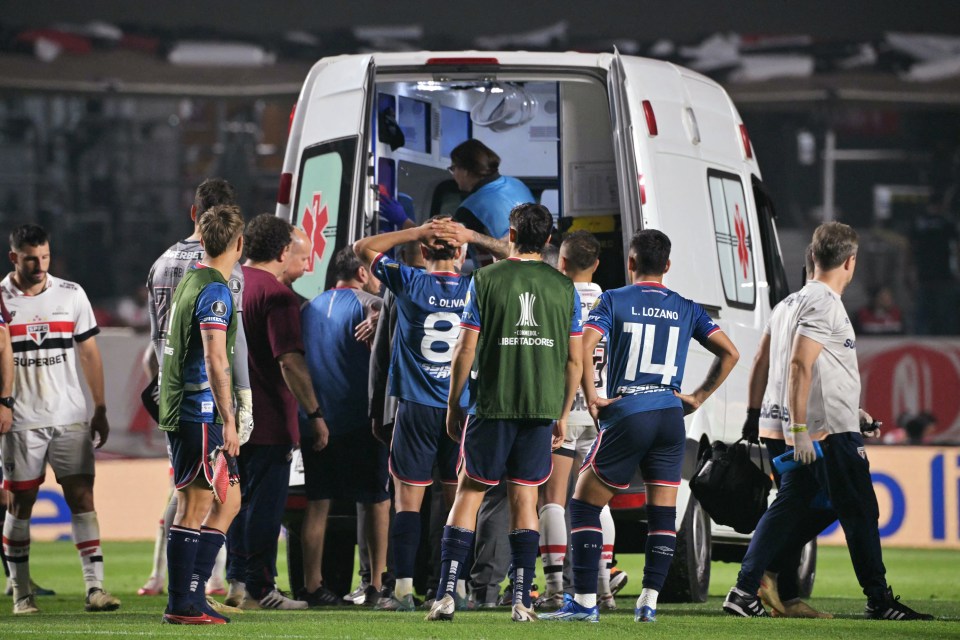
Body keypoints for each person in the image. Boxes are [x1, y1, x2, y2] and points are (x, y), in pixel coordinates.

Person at [723, 222, 933, 621]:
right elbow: (800, 364)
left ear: (813, 258)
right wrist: (801, 430)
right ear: (850, 262)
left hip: (798, 424)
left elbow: (768, 362)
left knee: (802, 505)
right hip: (820, 433)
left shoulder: (787, 304)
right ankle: (879, 600)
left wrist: (849, 412)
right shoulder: (825, 303)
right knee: (859, 510)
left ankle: (751, 585)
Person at [540, 229, 739, 624]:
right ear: (667, 266)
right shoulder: (685, 306)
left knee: (582, 506)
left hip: (630, 411)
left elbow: (582, 347)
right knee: (663, 516)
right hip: (669, 415)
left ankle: (582, 602)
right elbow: (730, 353)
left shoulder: (613, 299)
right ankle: (648, 600)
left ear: (630, 263)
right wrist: (697, 397)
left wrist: (594, 395)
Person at [425, 203, 583, 623]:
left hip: (491, 405)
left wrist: (454, 402)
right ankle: (521, 600)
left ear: (510, 235)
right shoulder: (564, 287)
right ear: (548, 240)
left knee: (470, 492)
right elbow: (574, 361)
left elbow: (465, 347)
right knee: (525, 498)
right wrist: (563, 412)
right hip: (539, 408)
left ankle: (445, 594)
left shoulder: (485, 279)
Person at [354, 217, 487, 611]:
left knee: (407, 501)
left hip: (415, 409)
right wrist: (471, 236)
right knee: (457, 499)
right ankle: (455, 586)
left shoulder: (408, 280)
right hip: (460, 409)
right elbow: (517, 255)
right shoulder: (476, 285)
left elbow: (363, 247)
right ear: (461, 254)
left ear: (425, 252)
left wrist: (416, 232)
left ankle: (402, 590)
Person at [0, 223, 121, 616]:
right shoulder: (1, 299)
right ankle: (21, 594)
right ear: (14, 257)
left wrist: (100, 407)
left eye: (46, 257)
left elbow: (89, 352)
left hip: (69, 416)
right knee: (21, 503)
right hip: (21, 419)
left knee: (82, 497)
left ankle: (95, 589)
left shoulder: (71, 294)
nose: (40, 265)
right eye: (32, 258)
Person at [140, 178, 251, 601]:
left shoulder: (175, 271)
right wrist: (232, 415)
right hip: (201, 404)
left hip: (174, 397)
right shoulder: (215, 288)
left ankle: (189, 594)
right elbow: (218, 357)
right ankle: (185, 599)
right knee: (196, 504)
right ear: (239, 242)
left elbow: (157, 341)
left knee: (222, 500)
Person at [227, 214, 327, 610]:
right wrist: (315, 414)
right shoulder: (277, 295)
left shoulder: (228, 284)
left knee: (236, 505)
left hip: (231, 418)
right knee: (266, 510)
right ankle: (261, 589)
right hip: (269, 418)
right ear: (283, 251)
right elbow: (289, 361)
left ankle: (236, 583)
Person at [535, 231, 620, 610]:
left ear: (561, 264)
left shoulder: (555, 298)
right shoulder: (613, 302)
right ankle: (604, 588)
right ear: (597, 264)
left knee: (552, 499)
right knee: (598, 503)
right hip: (603, 411)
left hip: (564, 410)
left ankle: (554, 588)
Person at [300, 247, 386, 606]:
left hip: (317, 419)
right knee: (377, 502)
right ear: (363, 273)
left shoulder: (308, 307)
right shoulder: (372, 304)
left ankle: (311, 585)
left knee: (318, 504)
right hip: (361, 421)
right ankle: (377, 585)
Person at [449, 139, 534, 242]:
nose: (453, 175)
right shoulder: (517, 183)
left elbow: (477, 254)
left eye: (453, 168)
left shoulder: (469, 208)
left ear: (465, 170)